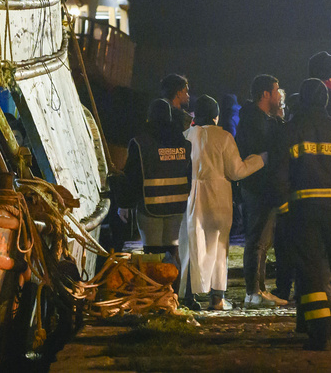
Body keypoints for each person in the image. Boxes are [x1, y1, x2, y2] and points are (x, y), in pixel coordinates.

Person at [272, 79, 331, 351]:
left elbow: (279, 176)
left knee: (311, 273)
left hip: (303, 213)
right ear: (327, 101)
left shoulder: (288, 131)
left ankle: (320, 335)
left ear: (301, 100)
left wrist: (284, 210)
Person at [180, 95, 266, 311]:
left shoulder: (187, 135)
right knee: (218, 247)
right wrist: (260, 159)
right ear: (216, 116)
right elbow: (236, 171)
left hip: (193, 196)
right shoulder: (224, 137)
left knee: (193, 245)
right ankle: (217, 298)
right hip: (218, 197)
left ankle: (189, 296)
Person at [122, 99, 192, 281]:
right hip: (177, 205)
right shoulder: (183, 143)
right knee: (171, 250)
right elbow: (188, 174)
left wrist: (125, 204)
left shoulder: (140, 143)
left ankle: (155, 295)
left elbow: (132, 176)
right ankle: (173, 294)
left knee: (152, 252)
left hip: (150, 205)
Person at [236, 74, 290, 308]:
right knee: (257, 240)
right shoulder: (255, 120)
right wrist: (279, 120)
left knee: (262, 241)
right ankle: (253, 292)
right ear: (266, 94)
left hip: (261, 187)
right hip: (259, 187)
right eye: (276, 91)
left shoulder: (258, 118)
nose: (279, 96)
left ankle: (259, 289)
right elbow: (271, 146)